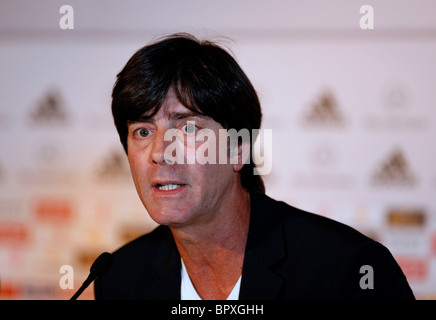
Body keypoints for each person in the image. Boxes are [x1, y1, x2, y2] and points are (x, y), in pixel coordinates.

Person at [94, 33, 415, 300]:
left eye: (188, 128)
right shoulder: (120, 280)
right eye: (143, 132)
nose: (161, 152)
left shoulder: (347, 270)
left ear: (238, 148)